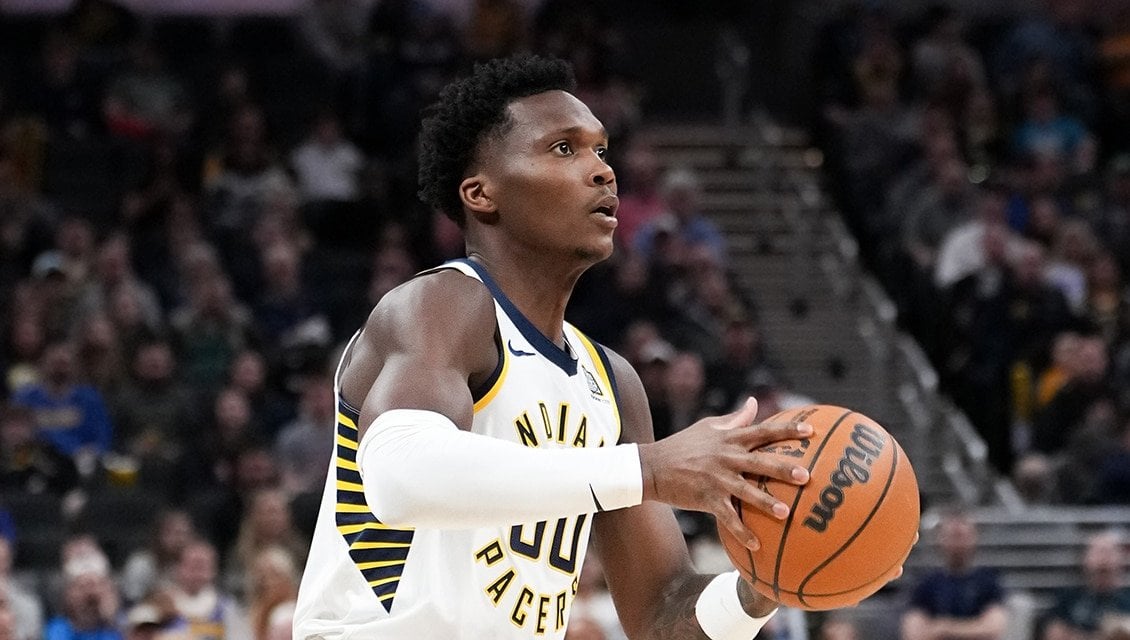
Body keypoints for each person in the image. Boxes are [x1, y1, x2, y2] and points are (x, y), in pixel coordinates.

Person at [293, 54, 851, 639]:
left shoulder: (611, 381)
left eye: (602, 151)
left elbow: (662, 619)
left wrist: (764, 584)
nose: (603, 171)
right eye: (564, 149)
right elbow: (401, 479)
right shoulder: (441, 303)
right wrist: (649, 468)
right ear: (481, 193)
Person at [900, 507, 1008, 640]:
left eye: (961, 536)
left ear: (974, 537)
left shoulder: (989, 581)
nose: (957, 544)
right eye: (952, 536)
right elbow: (913, 633)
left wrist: (944, 628)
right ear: (941, 538)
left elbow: (993, 628)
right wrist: (970, 628)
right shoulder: (926, 583)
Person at [1041, 529, 1130, 640]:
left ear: (1121, 558)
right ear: (1085, 558)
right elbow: (1054, 634)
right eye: (1098, 552)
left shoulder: (1127, 598)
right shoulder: (1069, 597)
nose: (1103, 559)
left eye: (1109, 552)